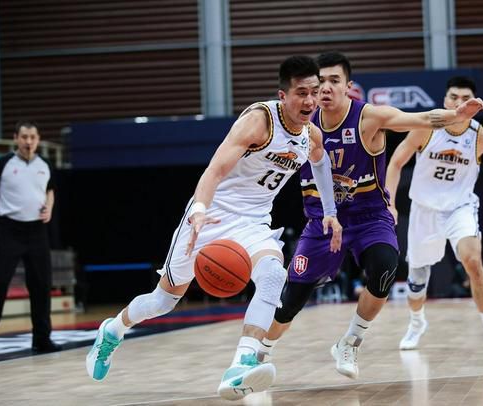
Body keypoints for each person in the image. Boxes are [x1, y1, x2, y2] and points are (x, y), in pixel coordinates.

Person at [85, 56, 343, 400]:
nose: (310, 101)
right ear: (283, 95)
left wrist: (329, 210)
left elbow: (320, 161)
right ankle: (112, 331)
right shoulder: (258, 122)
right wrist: (199, 210)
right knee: (163, 300)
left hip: (254, 222)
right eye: (301, 93)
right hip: (213, 215)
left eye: (314, 92)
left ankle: (242, 363)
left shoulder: (310, 133)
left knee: (271, 275)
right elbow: (213, 171)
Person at [260, 52, 483, 380]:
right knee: (291, 299)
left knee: (384, 267)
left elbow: (421, 119)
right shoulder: (300, 121)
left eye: (334, 81)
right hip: (322, 221)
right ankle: (259, 353)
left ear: (348, 87)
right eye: (319, 82)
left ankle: (350, 341)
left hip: (369, 216)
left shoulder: (368, 117)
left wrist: (456, 114)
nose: (325, 88)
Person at [385, 76, 483, 354]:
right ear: (445, 102)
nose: (459, 102)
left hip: (460, 207)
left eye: (464, 97)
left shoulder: (482, 137)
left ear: (475, 104)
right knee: (417, 283)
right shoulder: (426, 130)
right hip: (424, 209)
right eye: (453, 97)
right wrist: (390, 203)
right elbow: (396, 162)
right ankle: (417, 322)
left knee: (472, 260)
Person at [0, 121, 61, 355]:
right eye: (24, 137)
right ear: (16, 138)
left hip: (37, 231)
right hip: (10, 230)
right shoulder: (3, 163)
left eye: (32, 137)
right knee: (0, 283)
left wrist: (50, 207)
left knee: (41, 285)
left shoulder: (45, 164)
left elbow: (50, 190)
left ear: (37, 139)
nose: (28, 141)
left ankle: (42, 338)